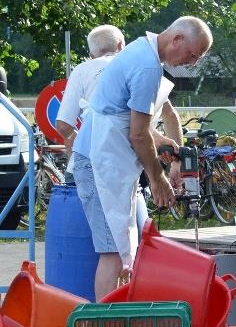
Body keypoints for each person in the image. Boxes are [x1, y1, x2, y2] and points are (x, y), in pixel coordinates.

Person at [73, 16, 213, 299]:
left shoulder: (141, 50)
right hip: (97, 162)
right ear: (177, 39)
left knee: (126, 248)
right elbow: (136, 135)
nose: (192, 63)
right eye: (193, 55)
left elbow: (128, 121)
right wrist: (157, 178)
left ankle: (118, 323)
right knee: (114, 251)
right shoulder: (147, 66)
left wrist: (162, 143)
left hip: (109, 158)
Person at [56, 25, 125, 160]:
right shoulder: (138, 67)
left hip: (90, 159)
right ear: (121, 45)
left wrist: (79, 141)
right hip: (130, 161)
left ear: (91, 56)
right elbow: (168, 112)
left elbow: (63, 126)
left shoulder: (82, 70)